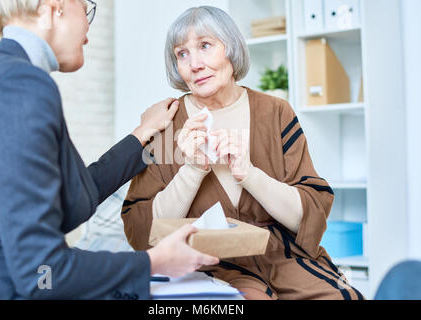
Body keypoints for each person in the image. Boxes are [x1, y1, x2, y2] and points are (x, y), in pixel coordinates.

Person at [0, 0, 218, 300]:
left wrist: (140, 136)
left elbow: (73, 196)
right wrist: (154, 262)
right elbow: (42, 273)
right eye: (85, 7)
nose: (88, 25)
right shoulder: (19, 85)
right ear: (55, 7)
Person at [121, 6, 364, 300]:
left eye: (205, 46)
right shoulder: (165, 123)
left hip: (285, 257)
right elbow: (143, 232)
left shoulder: (275, 112)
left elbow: (309, 214)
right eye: (181, 54)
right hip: (209, 265)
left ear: (231, 48)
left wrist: (248, 173)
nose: (194, 63)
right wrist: (194, 169)